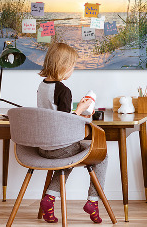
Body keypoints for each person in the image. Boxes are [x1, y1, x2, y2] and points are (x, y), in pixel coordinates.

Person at [37, 43, 107, 224]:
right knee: (102, 155)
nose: (72, 70)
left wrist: (76, 110)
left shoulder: (42, 86)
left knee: (67, 158)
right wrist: (82, 109)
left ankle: (49, 199)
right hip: (60, 147)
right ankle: (93, 201)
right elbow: (64, 122)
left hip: (43, 147)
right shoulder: (63, 90)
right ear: (63, 66)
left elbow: (54, 115)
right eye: (73, 66)